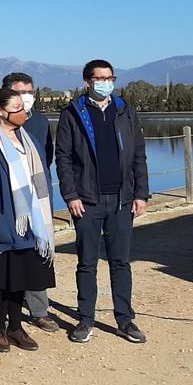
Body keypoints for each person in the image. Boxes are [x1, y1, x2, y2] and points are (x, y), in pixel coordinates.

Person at [55, 60, 150, 344]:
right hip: (87, 201)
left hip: (122, 200)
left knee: (121, 262)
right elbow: (63, 159)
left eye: (110, 78)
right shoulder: (73, 113)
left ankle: (125, 320)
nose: (105, 83)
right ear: (87, 82)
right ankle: (85, 320)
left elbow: (138, 155)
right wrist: (70, 195)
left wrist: (141, 194)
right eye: (99, 78)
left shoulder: (125, 111)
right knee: (87, 263)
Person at [0, 88, 56, 353]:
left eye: (23, 107)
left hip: (31, 223)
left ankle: (16, 326)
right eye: (16, 108)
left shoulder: (29, 141)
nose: (23, 112)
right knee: (0, 279)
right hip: (3, 222)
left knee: (21, 278)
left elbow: (42, 179)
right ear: (0, 111)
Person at [1, 72, 59, 333]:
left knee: (39, 251)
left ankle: (39, 310)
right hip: (8, 198)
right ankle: (6, 308)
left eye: (29, 91)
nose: (26, 96)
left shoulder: (41, 122)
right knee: (10, 256)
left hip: (37, 197)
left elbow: (47, 159)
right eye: (20, 92)